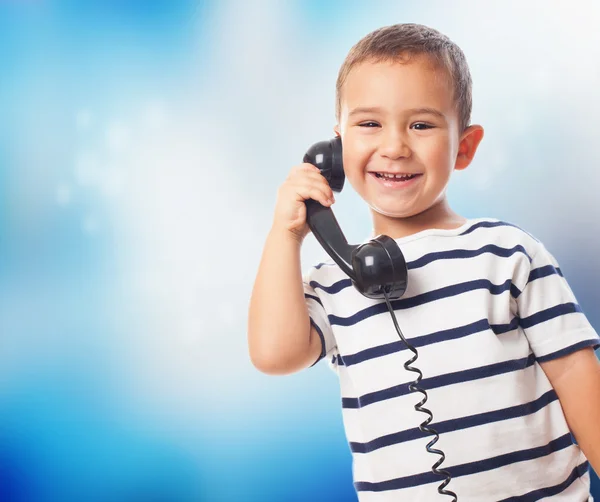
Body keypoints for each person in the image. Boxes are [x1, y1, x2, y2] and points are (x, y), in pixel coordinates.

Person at [247, 23, 600, 501]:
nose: (394, 146)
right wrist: (285, 234)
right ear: (337, 148)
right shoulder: (336, 284)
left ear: (464, 147)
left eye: (421, 124)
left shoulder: (507, 254)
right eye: (369, 124)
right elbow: (275, 354)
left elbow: (580, 380)